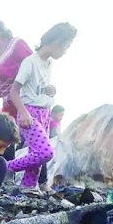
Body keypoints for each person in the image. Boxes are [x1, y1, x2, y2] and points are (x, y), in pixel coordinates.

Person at [6, 23, 78, 191]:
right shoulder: (30, 62)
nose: (65, 51)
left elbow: (39, 87)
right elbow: (14, 91)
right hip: (29, 112)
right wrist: (23, 113)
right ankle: (8, 167)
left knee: (35, 158)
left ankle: (27, 188)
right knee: (45, 152)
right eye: (66, 47)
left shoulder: (49, 63)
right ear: (56, 42)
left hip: (45, 112)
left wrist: (50, 90)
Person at [0, 20, 34, 124]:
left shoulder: (17, 43)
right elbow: (4, 89)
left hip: (23, 105)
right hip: (9, 107)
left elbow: (31, 67)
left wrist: (2, 73)